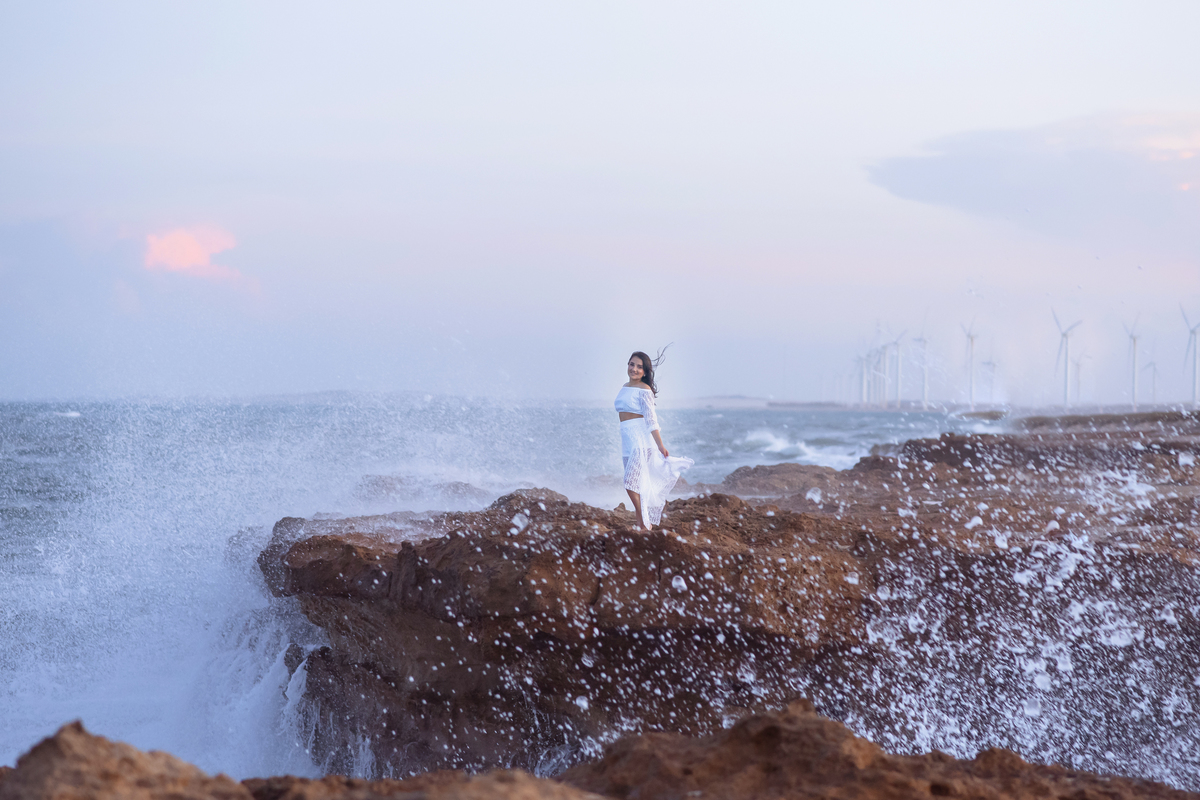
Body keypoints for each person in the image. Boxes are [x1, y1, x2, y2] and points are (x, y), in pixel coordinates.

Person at [614, 350, 693, 530]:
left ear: (645, 371)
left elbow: (651, 420)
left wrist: (660, 445)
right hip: (627, 441)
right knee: (638, 485)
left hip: (641, 441)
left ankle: (646, 523)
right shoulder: (624, 386)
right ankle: (641, 525)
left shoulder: (645, 390)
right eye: (632, 364)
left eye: (639, 367)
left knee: (630, 483)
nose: (634, 369)